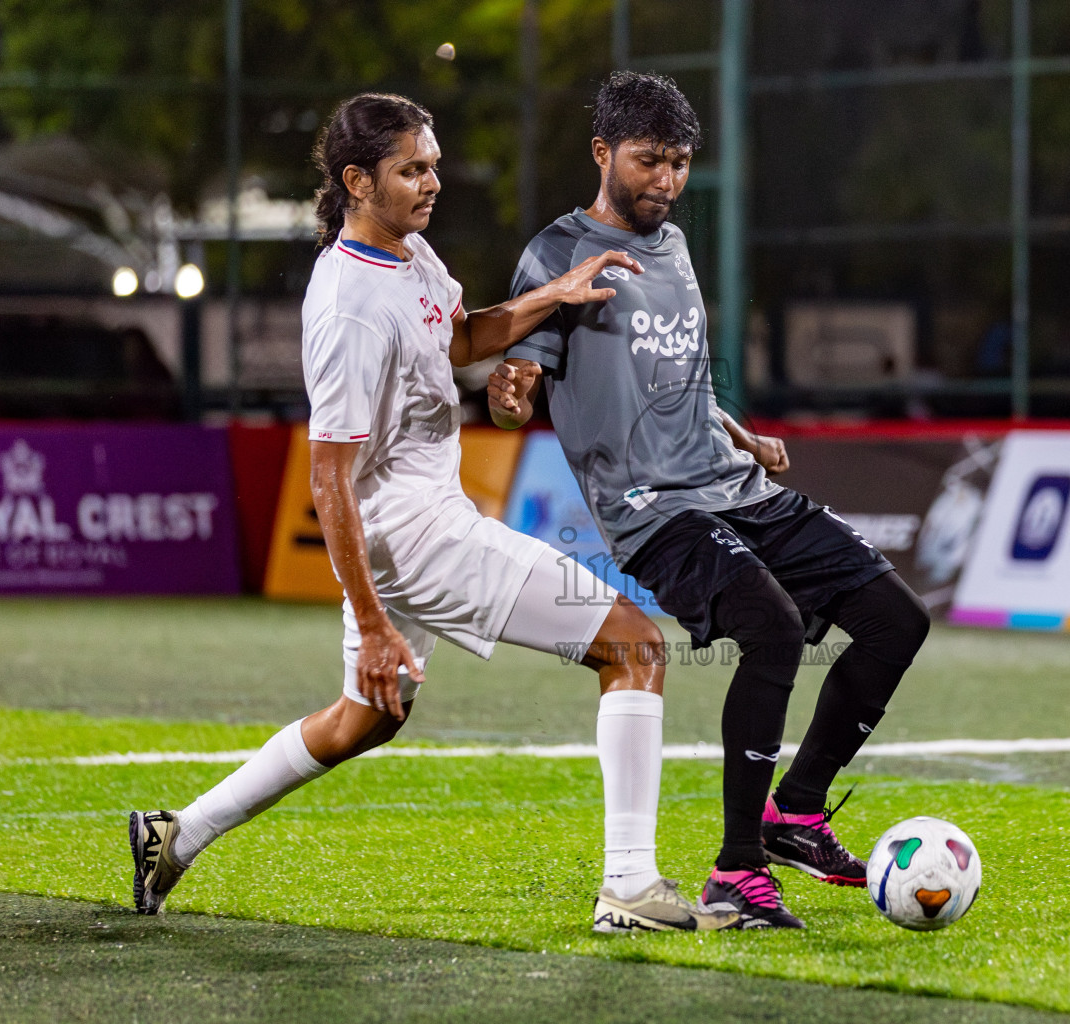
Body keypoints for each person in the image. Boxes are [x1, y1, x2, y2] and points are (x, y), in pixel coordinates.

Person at [128, 92, 736, 935]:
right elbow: (329, 479)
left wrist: (553, 295)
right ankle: (629, 888)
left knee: (364, 719)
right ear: (356, 181)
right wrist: (374, 622)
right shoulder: (345, 307)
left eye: (434, 165)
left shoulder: (409, 254)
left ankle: (176, 834)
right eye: (412, 169)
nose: (432, 182)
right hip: (414, 535)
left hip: (409, 526)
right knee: (634, 645)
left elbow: (456, 341)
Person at [488, 72, 931, 929]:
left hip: (736, 486)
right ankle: (737, 873)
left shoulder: (676, 246)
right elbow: (522, 364)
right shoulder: (556, 253)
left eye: (682, 162)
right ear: (602, 153)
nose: (666, 179)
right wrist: (511, 387)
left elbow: (674, 375)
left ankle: (797, 813)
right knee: (769, 625)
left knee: (894, 619)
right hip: (651, 509)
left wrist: (737, 432)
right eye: (649, 160)